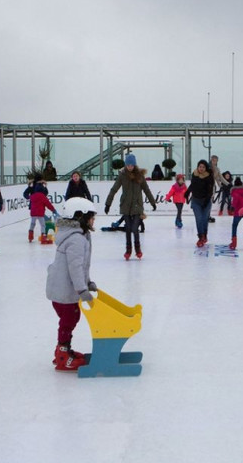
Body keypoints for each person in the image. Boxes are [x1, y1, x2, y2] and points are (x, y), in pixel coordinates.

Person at [45, 197, 99, 372]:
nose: (93, 220)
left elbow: (82, 265)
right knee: (69, 320)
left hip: (65, 288)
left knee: (70, 319)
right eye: (91, 217)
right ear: (80, 217)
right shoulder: (76, 238)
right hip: (64, 290)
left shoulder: (80, 235)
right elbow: (75, 267)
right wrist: (82, 289)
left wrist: (88, 281)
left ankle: (64, 350)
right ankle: (63, 356)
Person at [104, 153, 157, 260]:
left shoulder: (140, 176)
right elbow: (114, 189)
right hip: (126, 206)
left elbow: (146, 190)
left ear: (134, 165)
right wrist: (108, 203)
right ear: (125, 165)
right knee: (128, 229)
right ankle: (128, 250)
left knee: (134, 228)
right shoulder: (122, 175)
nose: (130, 167)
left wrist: (153, 202)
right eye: (128, 165)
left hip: (137, 206)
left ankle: (138, 249)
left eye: (131, 165)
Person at [183, 160, 215, 247]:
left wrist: (207, 200)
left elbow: (210, 191)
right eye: (200, 166)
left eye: (203, 167)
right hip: (196, 200)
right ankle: (200, 237)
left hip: (206, 201)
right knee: (199, 219)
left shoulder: (209, 177)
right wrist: (187, 192)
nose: (201, 168)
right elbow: (193, 185)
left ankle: (205, 235)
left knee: (204, 219)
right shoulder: (195, 174)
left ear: (206, 168)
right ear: (198, 167)